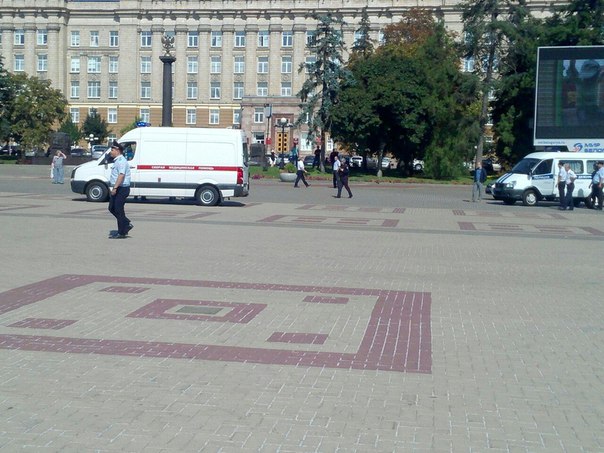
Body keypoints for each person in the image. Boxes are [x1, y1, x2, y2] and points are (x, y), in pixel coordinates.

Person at [108, 141, 133, 239]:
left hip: (121, 188)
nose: (111, 152)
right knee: (112, 208)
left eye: (112, 150)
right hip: (119, 188)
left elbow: (121, 175)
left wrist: (115, 188)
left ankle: (122, 232)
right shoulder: (117, 161)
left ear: (118, 150)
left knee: (118, 209)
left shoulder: (121, 161)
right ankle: (125, 224)